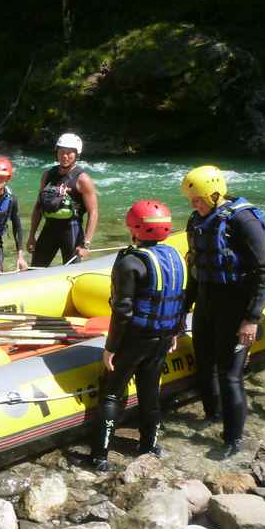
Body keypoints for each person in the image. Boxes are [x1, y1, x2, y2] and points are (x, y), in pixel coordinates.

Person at [85, 200, 186, 471]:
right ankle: (149, 445)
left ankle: (99, 457)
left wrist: (111, 346)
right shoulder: (177, 256)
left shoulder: (130, 261)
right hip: (163, 336)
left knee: (111, 394)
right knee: (150, 390)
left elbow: (122, 310)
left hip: (135, 339)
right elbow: (182, 297)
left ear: (135, 228)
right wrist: (177, 330)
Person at [180, 165, 265, 459]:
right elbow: (196, 269)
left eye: (198, 199)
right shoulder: (196, 221)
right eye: (191, 200)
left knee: (230, 375)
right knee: (204, 364)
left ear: (215, 193)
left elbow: (263, 271)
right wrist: (184, 309)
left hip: (236, 307)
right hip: (207, 304)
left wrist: (252, 318)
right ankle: (212, 416)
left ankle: (233, 440)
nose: (194, 205)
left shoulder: (243, 220)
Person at [26, 133, 99, 267]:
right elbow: (38, 207)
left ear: (77, 154)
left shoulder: (83, 179)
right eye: (61, 152)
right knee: (35, 269)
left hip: (72, 231)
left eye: (69, 153)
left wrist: (86, 244)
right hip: (49, 229)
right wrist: (31, 235)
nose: (65, 156)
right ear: (57, 153)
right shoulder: (47, 175)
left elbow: (93, 212)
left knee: (72, 273)